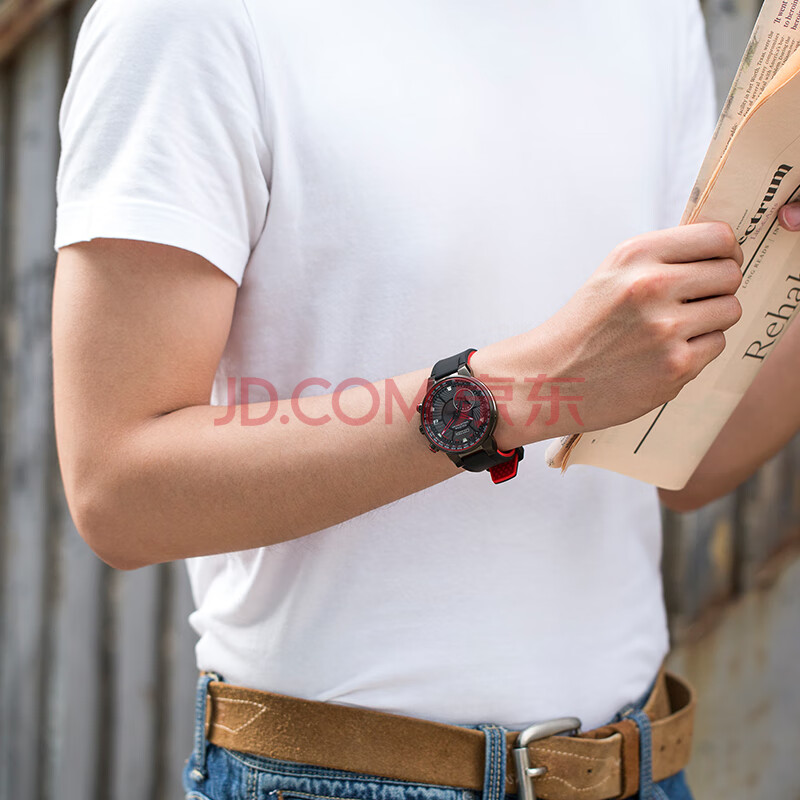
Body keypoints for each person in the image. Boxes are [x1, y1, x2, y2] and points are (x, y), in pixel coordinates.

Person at [51, 1, 800, 798]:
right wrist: (531, 390)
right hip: (332, 780)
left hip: (636, 769)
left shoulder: (654, 14)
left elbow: (689, 457)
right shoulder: (189, 20)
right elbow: (119, 492)